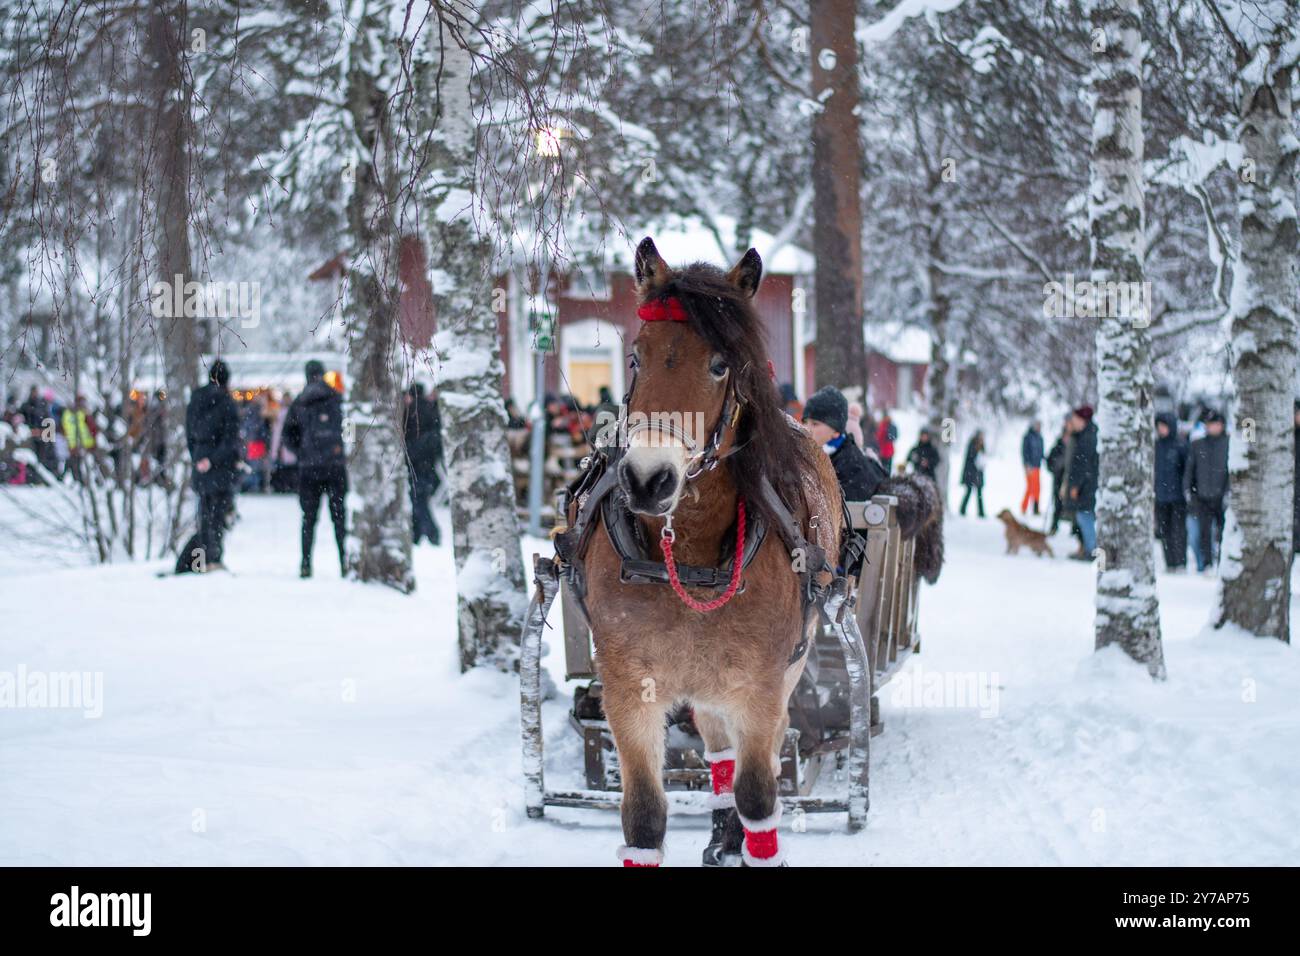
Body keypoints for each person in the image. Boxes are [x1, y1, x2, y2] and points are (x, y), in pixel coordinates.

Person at [283, 360, 348, 578]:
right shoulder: (337, 399)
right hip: (335, 467)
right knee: (339, 517)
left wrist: (302, 452)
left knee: (308, 519)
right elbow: (350, 430)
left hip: (309, 469)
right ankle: (344, 561)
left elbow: (287, 436)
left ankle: (305, 563)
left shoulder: (299, 402)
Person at [185, 360, 241, 571]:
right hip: (221, 467)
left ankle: (203, 559)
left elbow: (190, 435)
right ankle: (214, 559)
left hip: (200, 461)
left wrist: (199, 458)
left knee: (204, 515)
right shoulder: (227, 404)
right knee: (218, 516)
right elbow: (230, 440)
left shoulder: (195, 401)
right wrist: (215, 459)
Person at [802, 386, 887, 501]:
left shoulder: (852, 466)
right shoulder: (806, 456)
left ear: (836, 432)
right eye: (805, 422)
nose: (806, 429)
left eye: (815, 424)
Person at [1185, 409, 1229, 573]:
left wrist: (1228, 492)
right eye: (1210, 424)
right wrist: (1189, 490)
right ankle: (1206, 564)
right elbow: (1190, 470)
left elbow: (1233, 472)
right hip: (1202, 495)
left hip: (1222, 496)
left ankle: (1224, 563)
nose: (1213, 428)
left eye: (1216, 424)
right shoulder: (1198, 444)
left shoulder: (1229, 443)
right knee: (1203, 533)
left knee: (1224, 532)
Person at [403, 383, 443, 546]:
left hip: (415, 462)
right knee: (419, 498)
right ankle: (417, 534)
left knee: (418, 499)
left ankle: (432, 533)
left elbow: (408, 438)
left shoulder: (410, 412)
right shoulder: (430, 409)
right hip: (429, 462)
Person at [1153, 412, 1188, 572]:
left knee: (1178, 530)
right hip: (1160, 496)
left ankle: (1180, 561)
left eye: (1164, 426)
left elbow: (1187, 470)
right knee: (1164, 531)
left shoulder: (1180, 445)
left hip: (1177, 497)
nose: (1161, 429)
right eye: (1159, 426)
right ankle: (1170, 562)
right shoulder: (1156, 445)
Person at [1067, 405, 1099, 559]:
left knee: (1085, 516)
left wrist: (1075, 485)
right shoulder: (1087, 434)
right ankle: (1090, 549)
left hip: (1088, 486)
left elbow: (1082, 465)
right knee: (1085, 516)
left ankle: (1091, 551)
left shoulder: (1087, 438)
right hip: (1089, 484)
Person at [61, 394, 97, 482]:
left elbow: (63, 428)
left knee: (75, 463)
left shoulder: (67, 413)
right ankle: (82, 481)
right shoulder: (84, 413)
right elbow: (93, 428)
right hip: (85, 444)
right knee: (85, 465)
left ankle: (74, 479)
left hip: (73, 444)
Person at [959, 430, 986, 517]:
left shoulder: (982, 447)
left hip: (978, 474)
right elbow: (970, 460)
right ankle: (962, 510)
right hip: (970, 474)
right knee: (969, 491)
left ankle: (981, 512)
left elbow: (982, 459)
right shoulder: (972, 446)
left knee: (979, 493)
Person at [1020, 420, 1044, 515]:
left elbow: (1041, 451)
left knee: (1037, 487)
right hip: (1030, 466)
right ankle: (1024, 507)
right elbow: (1024, 451)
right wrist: (1026, 464)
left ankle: (1036, 508)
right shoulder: (1028, 437)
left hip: (1037, 466)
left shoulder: (1040, 437)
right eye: (1037, 425)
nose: (1039, 427)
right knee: (1030, 487)